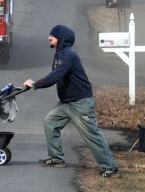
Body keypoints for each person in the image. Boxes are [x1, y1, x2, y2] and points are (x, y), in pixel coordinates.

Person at [23, 24, 119, 178]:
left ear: (60, 38)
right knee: (50, 122)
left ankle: (110, 168)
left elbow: (55, 76)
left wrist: (35, 84)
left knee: (92, 135)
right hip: (66, 102)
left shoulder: (69, 55)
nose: (49, 37)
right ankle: (56, 158)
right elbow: (55, 73)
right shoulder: (59, 54)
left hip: (80, 103)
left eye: (52, 35)